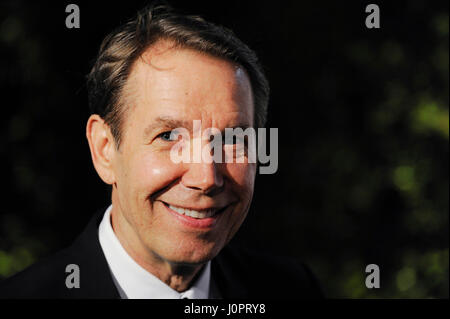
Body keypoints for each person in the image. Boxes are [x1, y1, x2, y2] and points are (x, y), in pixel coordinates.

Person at [0, 3, 323, 299]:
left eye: (232, 140)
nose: (206, 177)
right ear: (104, 150)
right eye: (169, 136)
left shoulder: (293, 289)